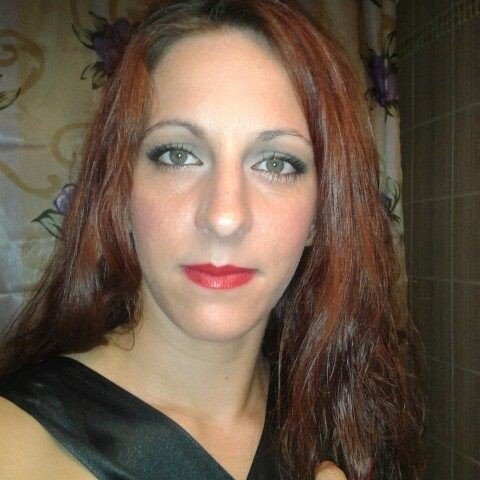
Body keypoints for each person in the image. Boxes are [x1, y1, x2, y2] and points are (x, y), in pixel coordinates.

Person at [0, 1, 424, 479]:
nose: (224, 217)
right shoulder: (15, 448)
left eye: (276, 163)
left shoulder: (341, 419)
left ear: (319, 216)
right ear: (120, 189)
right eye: (178, 155)